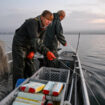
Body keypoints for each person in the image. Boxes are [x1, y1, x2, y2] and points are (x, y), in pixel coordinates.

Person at [12, 10, 56, 89]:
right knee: (20, 67)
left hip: (30, 46)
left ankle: (28, 86)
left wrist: (33, 51)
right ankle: (16, 88)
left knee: (30, 66)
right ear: (42, 17)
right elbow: (35, 40)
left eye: (50, 21)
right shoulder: (32, 23)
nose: (49, 22)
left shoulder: (44, 28)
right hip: (19, 45)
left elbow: (40, 41)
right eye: (47, 19)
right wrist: (47, 52)